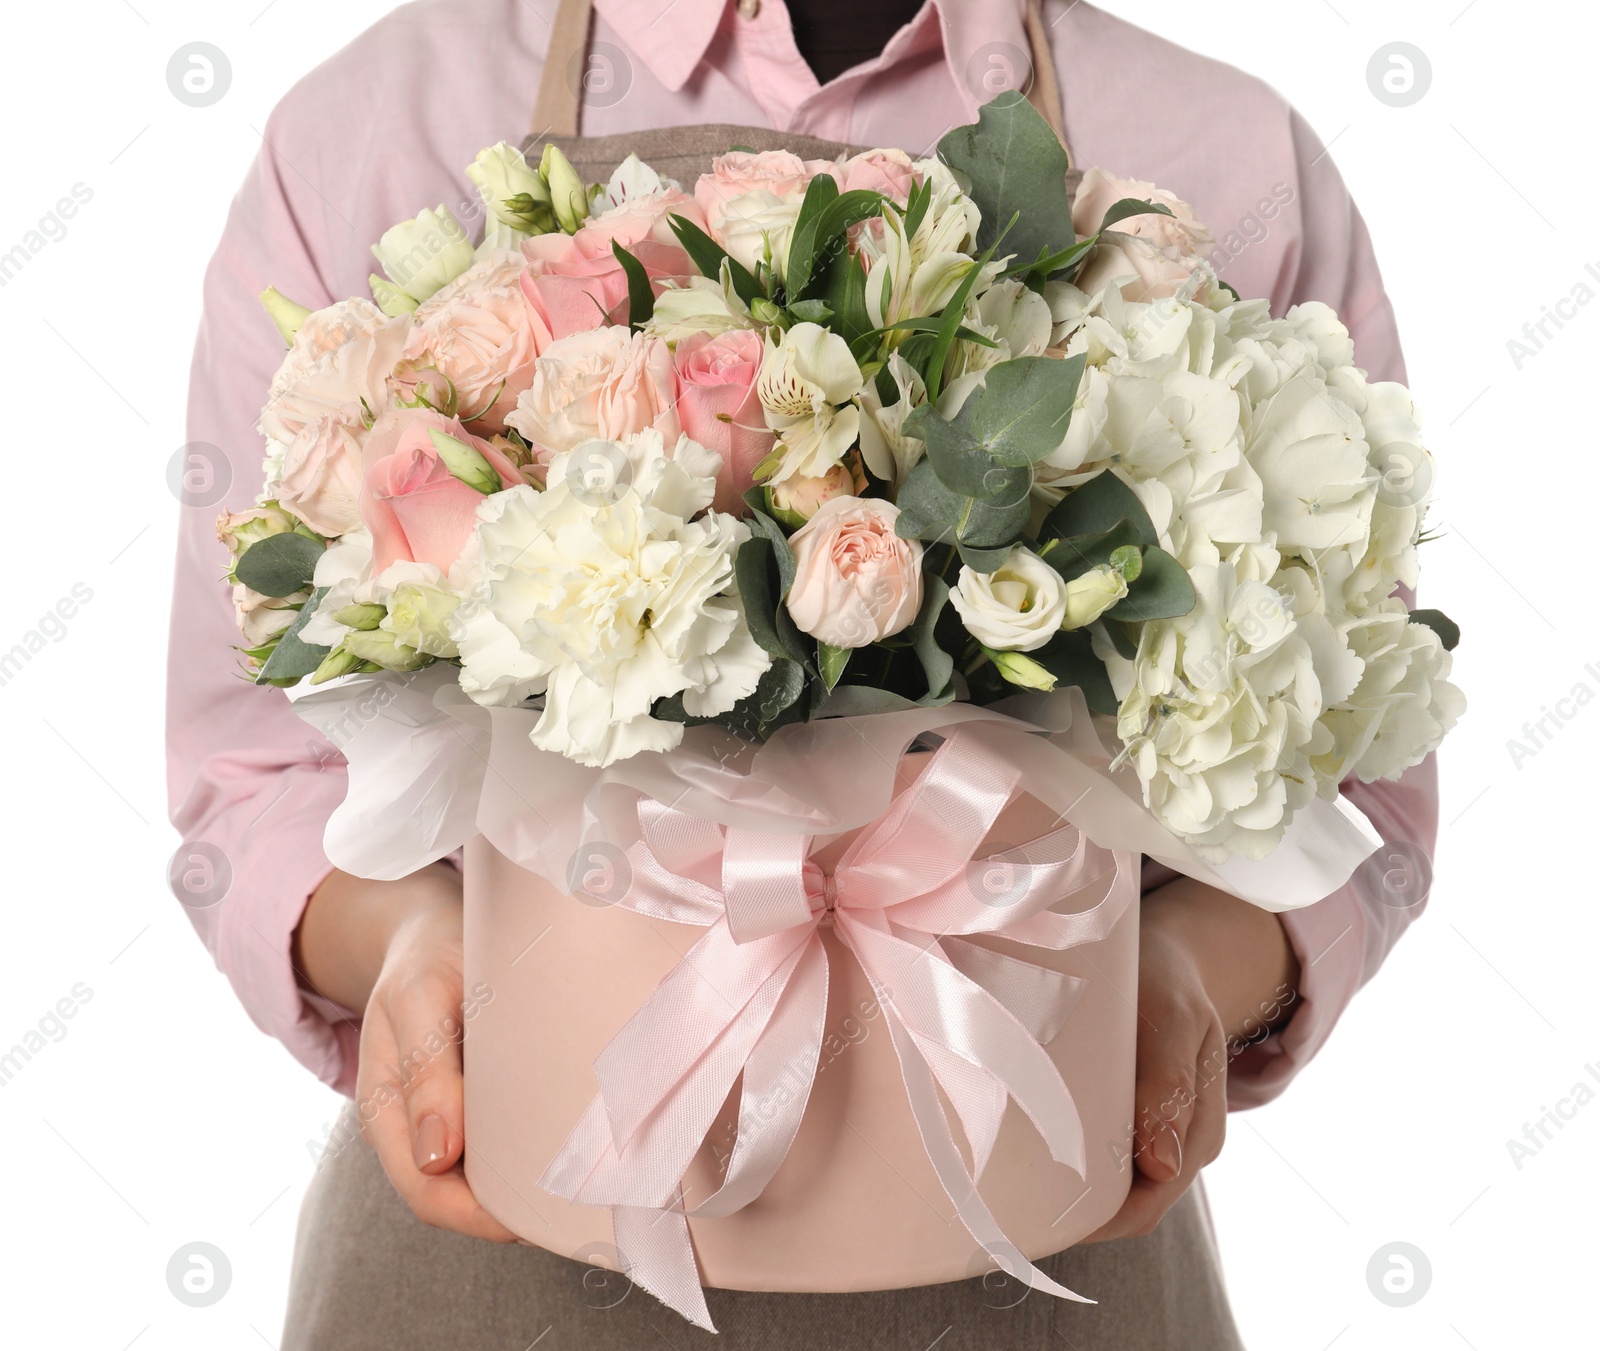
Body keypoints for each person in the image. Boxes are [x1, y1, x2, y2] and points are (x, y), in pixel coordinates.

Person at [166, 1, 1439, 1346]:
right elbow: (259, 770)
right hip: (500, 1246)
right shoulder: (371, 124)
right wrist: (417, 951)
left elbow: (1358, 792)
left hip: (1043, 1223)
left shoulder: (1229, 151)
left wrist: (1182, 976)